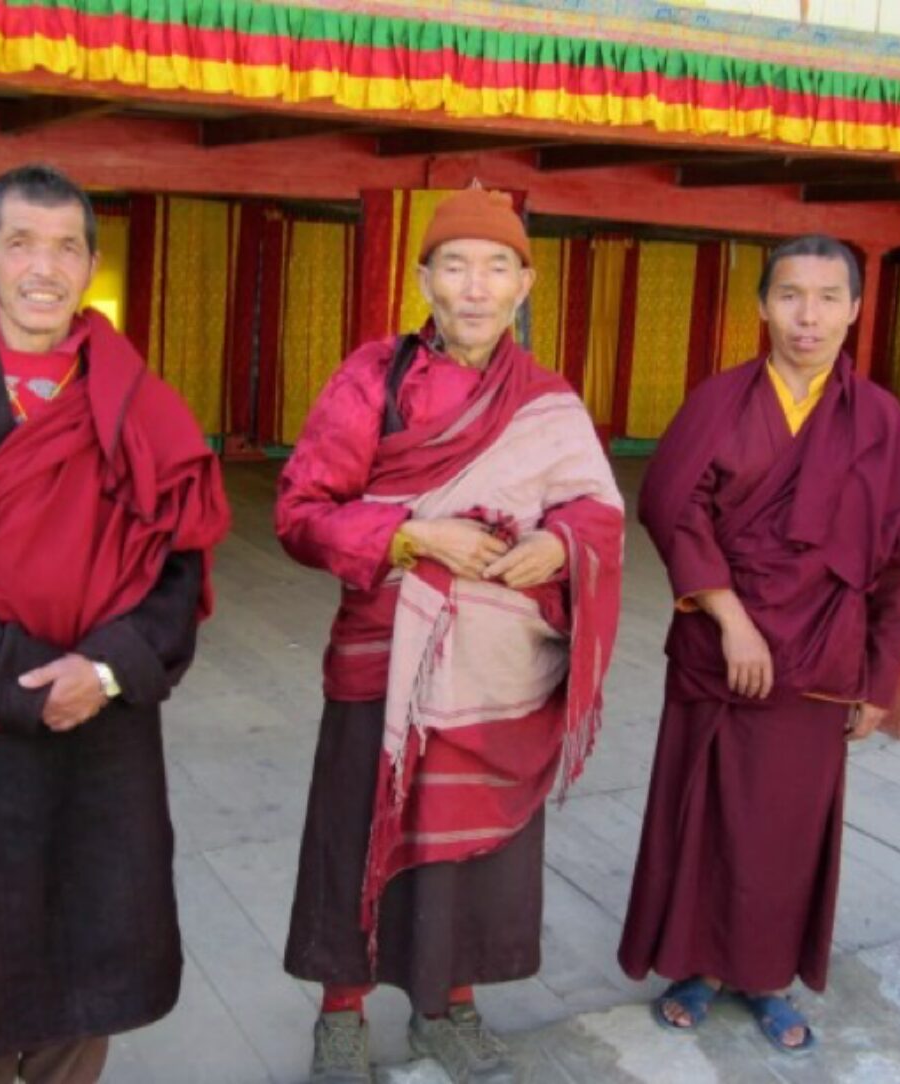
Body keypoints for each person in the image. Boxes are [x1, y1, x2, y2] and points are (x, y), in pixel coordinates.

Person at [0, 164, 230, 1083]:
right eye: (19, 242)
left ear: (91, 263)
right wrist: (28, 682)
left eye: (66, 246)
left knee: (87, 954)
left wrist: (102, 673)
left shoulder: (139, 399)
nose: (43, 266)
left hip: (101, 723)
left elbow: (182, 562)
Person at [275, 187, 625, 1083]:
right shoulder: (372, 379)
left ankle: (449, 1004)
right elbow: (301, 514)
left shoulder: (547, 399)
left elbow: (594, 509)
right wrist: (409, 536)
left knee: (478, 838)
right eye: (455, 265)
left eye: (495, 266)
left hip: (498, 667)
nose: (474, 287)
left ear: (524, 281)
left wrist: (555, 543)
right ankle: (341, 1014)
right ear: (423, 278)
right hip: (384, 654)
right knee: (358, 830)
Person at [618, 234, 900, 1055]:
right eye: (789, 296)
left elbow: (899, 561)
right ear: (762, 304)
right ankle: (695, 965)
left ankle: (764, 977)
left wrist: (878, 681)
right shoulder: (720, 402)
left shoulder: (879, 422)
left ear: (852, 309)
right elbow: (673, 508)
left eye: (827, 297)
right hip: (716, 652)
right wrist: (729, 617)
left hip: (818, 665)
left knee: (782, 827)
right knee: (699, 816)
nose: (807, 316)